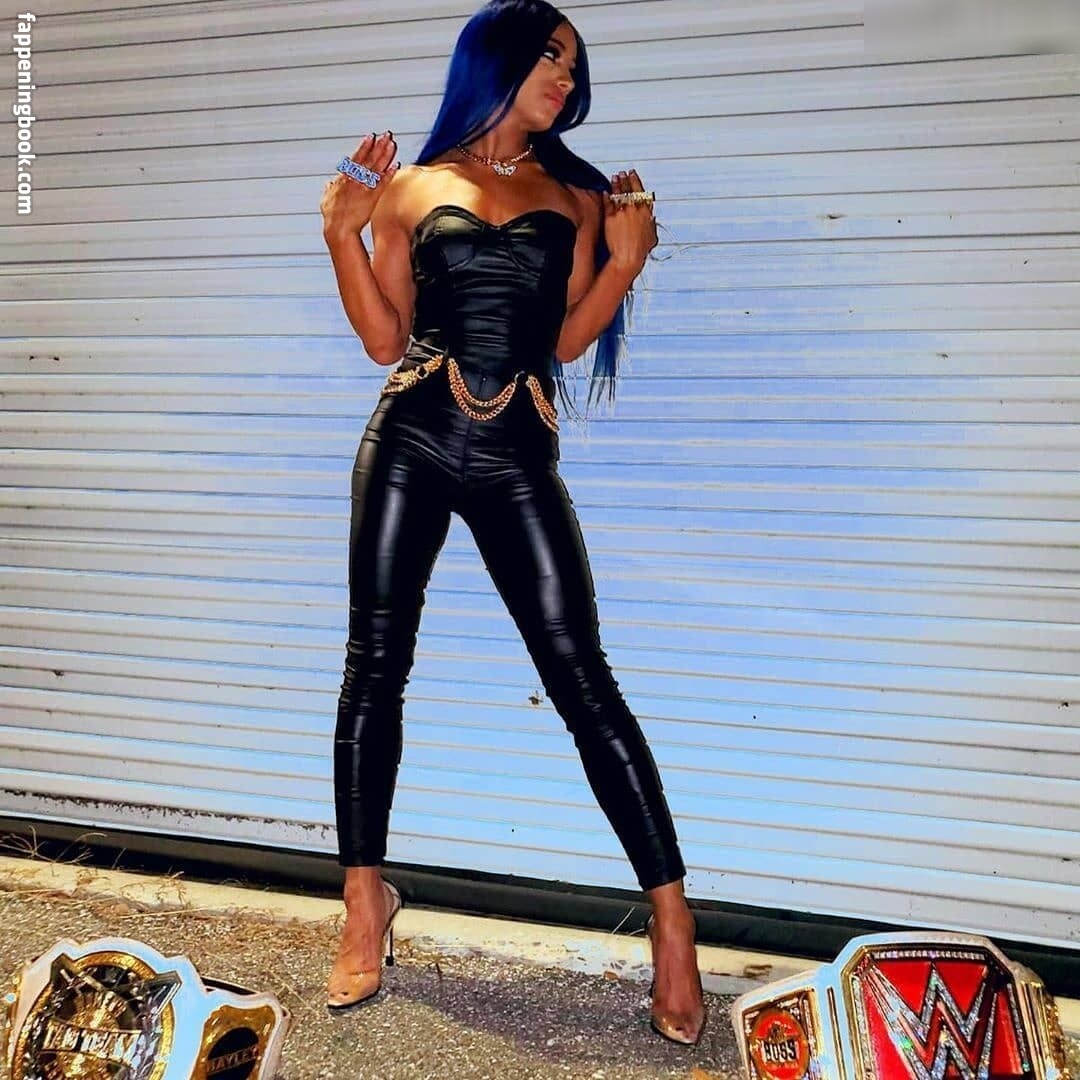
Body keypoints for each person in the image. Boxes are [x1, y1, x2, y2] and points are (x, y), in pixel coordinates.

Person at [318, 0, 707, 1046]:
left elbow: (568, 343)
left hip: (515, 453)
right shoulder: (412, 188)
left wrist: (624, 262)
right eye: (549, 56)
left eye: (573, 65)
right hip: (410, 436)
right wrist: (340, 233)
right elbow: (382, 338)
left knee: (582, 678)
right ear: (493, 61)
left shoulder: (577, 197)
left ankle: (673, 924)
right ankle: (363, 901)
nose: (565, 78)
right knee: (374, 665)